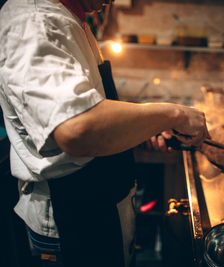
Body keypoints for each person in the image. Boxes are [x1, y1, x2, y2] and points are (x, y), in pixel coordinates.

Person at [0, 0, 210, 265]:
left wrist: (139, 131)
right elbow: (77, 128)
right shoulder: (34, 19)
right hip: (71, 217)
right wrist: (174, 114)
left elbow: (92, 116)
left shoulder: (72, 19)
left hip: (98, 206)